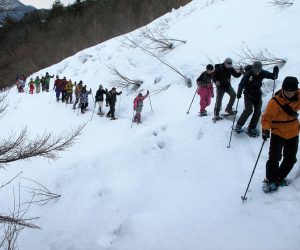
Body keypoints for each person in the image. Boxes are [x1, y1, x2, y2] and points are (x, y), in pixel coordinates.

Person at [261, 76, 300, 192]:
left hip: (293, 132)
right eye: (287, 91)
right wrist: (266, 129)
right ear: (283, 89)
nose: (289, 93)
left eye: (292, 91)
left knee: (291, 158)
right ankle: (270, 180)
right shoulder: (275, 102)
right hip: (278, 132)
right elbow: (266, 118)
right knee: (274, 158)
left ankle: (279, 177)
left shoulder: (298, 96)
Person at [235, 62, 279, 137]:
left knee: (258, 111)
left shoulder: (262, 72)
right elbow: (241, 84)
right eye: (255, 70)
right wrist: (239, 93)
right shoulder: (248, 74)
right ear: (253, 68)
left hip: (257, 94)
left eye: (259, 70)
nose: (257, 72)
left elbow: (273, 77)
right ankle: (239, 125)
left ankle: (251, 128)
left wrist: (275, 72)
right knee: (248, 110)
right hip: (248, 94)